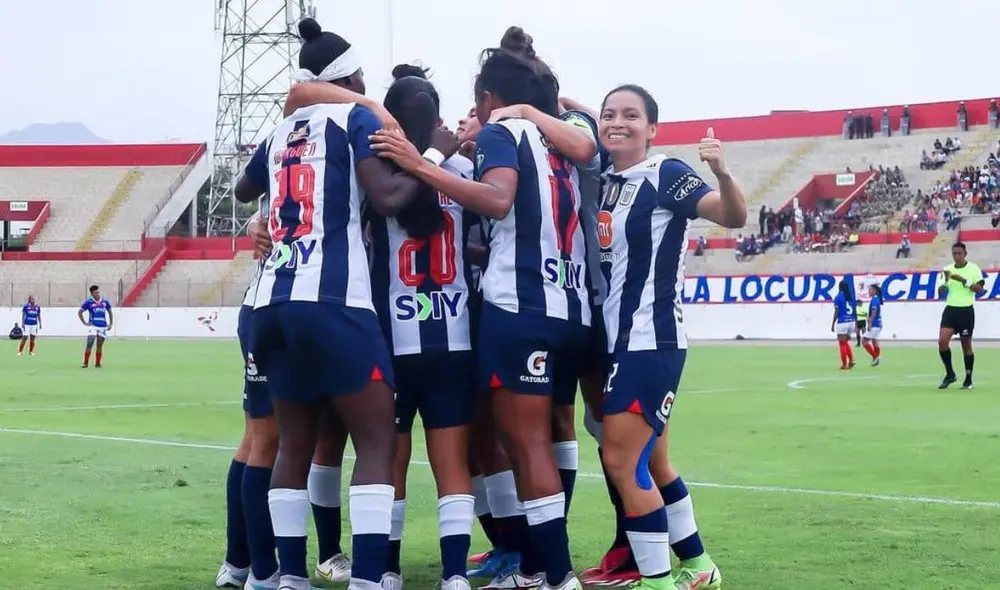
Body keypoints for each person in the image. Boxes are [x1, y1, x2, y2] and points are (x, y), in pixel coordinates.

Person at [371, 47, 596, 590]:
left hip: (515, 310)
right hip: (574, 307)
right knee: (550, 433)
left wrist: (422, 162)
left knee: (523, 444)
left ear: (491, 100)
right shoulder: (562, 141)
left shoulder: (498, 134)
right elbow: (589, 145)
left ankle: (549, 570)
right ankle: (534, 562)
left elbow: (496, 202)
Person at [236, 18, 424, 590]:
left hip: (271, 299)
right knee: (373, 440)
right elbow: (389, 196)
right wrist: (421, 162)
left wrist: (266, 213)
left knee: (293, 444)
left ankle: (289, 576)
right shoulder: (356, 115)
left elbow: (246, 191)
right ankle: (368, 577)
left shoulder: (281, 128)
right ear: (353, 77)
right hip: (334, 299)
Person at [593, 84, 739, 590]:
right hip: (619, 341)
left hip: (650, 339)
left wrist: (721, 172)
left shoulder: (665, 173)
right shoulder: (604, 180)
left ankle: (656, 580)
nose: (617, 122)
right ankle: (698, 566)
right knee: (653, 460)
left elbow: (731, 216)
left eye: (631, 116)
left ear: (652, 128)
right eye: (609, 113)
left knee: (619, 459)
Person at [936, 242, 985, 389]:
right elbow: (941, 290)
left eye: (959, 253)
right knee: (942, 342)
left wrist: (964, 281)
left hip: (966, 311)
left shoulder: (973, 269)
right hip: (951, 310)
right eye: (954, 253)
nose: (957, 256)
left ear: (965, 254)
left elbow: (980, 290)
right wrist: (942, 287)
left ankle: (968, 379)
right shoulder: (947, 269)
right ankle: (950, 374)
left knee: (966, 345)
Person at [77, 285, 112, 368]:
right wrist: (85, 322)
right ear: (92, 293)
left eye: (98, 292)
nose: (98, 294)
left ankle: (98, 363)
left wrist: (110, 323)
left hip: (103, 326)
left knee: (99, 345)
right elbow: (80, 312)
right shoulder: (89, 302)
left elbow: (110, 312)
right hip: (93, 326)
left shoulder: (105, 302)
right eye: (96, 292)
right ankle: (85, 363)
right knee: (90, 342)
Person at [831, 279, 856, 370]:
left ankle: (844, 364)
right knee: (845, 342)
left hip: (842, 322)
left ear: (839, 287)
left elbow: (837, 311)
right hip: (851, 321)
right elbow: (854, 310)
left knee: (842, 344)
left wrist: (833, 323)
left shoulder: (838, 297)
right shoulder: (850, 297)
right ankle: (852, 360)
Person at [861, 284, 884, 366]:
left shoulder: (874, 300)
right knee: (874, 341)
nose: (869, 291)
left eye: (870, 290)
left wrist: (870, 323)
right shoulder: (875, 299)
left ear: (875, 291)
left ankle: (875, 357)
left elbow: (874, 312)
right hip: (878, 324)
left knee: (864, 341)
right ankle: (876, 358)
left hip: (875, 324)